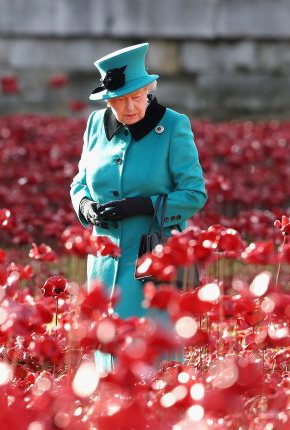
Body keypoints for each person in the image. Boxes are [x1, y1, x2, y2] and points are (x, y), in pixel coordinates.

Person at [70, 42, 206, 334]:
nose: (130, 107)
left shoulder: (173, 126)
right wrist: (85, 206)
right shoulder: (95, 124)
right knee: (106, 348)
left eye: (136, 97)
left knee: (147, 351)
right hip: (104, 263)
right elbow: (80, 182)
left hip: (153, 259)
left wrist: (144, 205)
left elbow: (194, 194)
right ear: (108, 101)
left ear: (149, 91)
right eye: (120, 100)